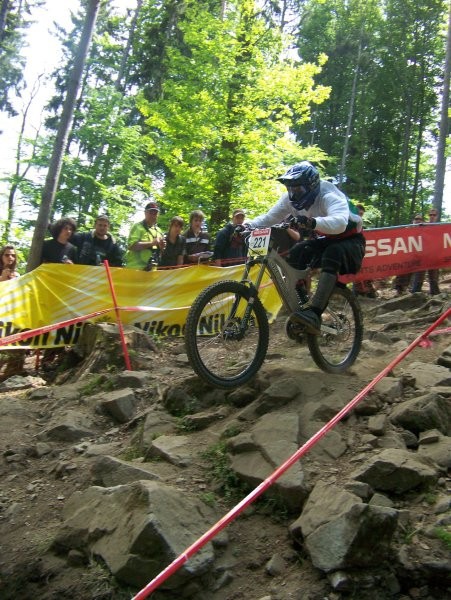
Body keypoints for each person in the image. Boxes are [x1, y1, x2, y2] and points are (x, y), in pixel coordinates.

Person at [249, 161, 365, 334]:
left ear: (312, 186)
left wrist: (312, 222)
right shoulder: (288, 200)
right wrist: (245, 225)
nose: (293, 195)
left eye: (298, 190)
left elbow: (340, 223)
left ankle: (315, 312)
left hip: (351, 240)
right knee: (297, 252)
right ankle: (302, 305)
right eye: (290, 189)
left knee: (333, 252)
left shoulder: (329, 195)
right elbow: (268, 218)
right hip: (325, 238)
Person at [0, 245, 25, 380]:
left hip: (13, 313)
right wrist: (2, 279)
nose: (10, 258)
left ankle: (13, 371)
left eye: (13, 255)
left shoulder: (17, 274)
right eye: (7, 255)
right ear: (1, 257)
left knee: (16, 341)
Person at [125, 201, 165, 270]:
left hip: (152, 272)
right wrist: (152, 243)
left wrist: (162, 248)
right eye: (150, 213)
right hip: (135, 271)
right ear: (145, 213)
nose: (153, 215)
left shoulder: (159, 231)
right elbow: (131, 246)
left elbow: (160, 254)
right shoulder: (137, 227)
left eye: (155, 213)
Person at [410, 208, 440, 295]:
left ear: (437, 216)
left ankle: (435, 294)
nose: (432, 217)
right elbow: (413, 230)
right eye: (430, 215)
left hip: (434, 254)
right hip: (422, 254)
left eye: (434, 215)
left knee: (433, 276)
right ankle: (416, 294)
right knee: (419, 275)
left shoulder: (441, 226)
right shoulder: (423, 225)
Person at [393, 214, 424, 296]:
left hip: (417, 256)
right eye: (416, 219)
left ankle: (411, 290)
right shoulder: (407, 229)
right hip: (406, 255)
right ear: (413, 220)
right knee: (402, 273)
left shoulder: (424, 230)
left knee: (413, 274)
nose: (418, 220)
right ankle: (399, 290)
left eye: (420, 219)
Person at [352, 203, 377, 298]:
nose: (360, 215)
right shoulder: (348, 222)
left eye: (362, 214)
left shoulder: (361, 226)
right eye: (359, 213)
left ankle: (369, 293)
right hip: (351, 251)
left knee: (365, 272)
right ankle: (355, 294)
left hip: (361, 252)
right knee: (356, 274)